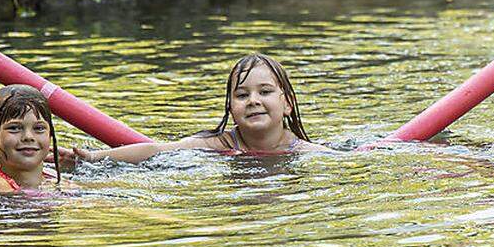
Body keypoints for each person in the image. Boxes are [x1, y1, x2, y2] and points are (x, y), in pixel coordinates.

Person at [60, 54, 330, 166]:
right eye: (242, 94)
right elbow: (157, 150)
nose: (253, 100)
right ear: (230, 108)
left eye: (265, 91)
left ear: (288, 103)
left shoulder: (306, 153)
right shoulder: (221, 143)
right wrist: (94, 157)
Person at [0, 84, 66, 194]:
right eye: (14, 128)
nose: (28, 137)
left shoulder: (54, 179)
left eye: (39, 128)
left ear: (50, 136)